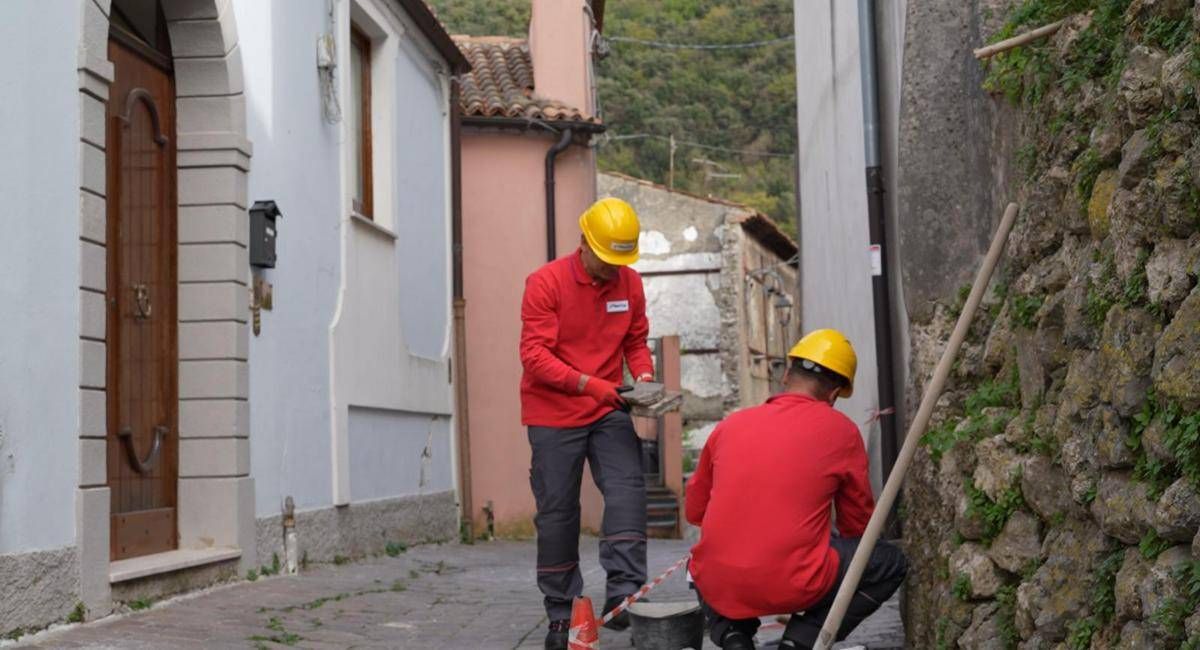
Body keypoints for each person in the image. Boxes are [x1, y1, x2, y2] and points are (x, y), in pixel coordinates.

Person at [685, 329, 908, 650]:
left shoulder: (729, 426)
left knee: (700, 564)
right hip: (797, 582)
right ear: (834, 394)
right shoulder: (842, 432)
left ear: (787, 374)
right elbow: (858, 525)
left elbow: (695, 511)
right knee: (889, 562)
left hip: (721, 584)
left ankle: (733, 637)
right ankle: (799, 640)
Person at [519, 197, 656, 650]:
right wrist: (588, 384)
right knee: (558, 513)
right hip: (553, 412)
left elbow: (636, 341)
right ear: (583, 242)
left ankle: (624, 594)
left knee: (627, 488)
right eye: (605, 258)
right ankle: (562, 613)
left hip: (606, 407)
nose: (613, 268)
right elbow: (534, 356)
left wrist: (645, 378)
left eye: (620, 260)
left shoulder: (630, 283)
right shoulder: (546, 283)